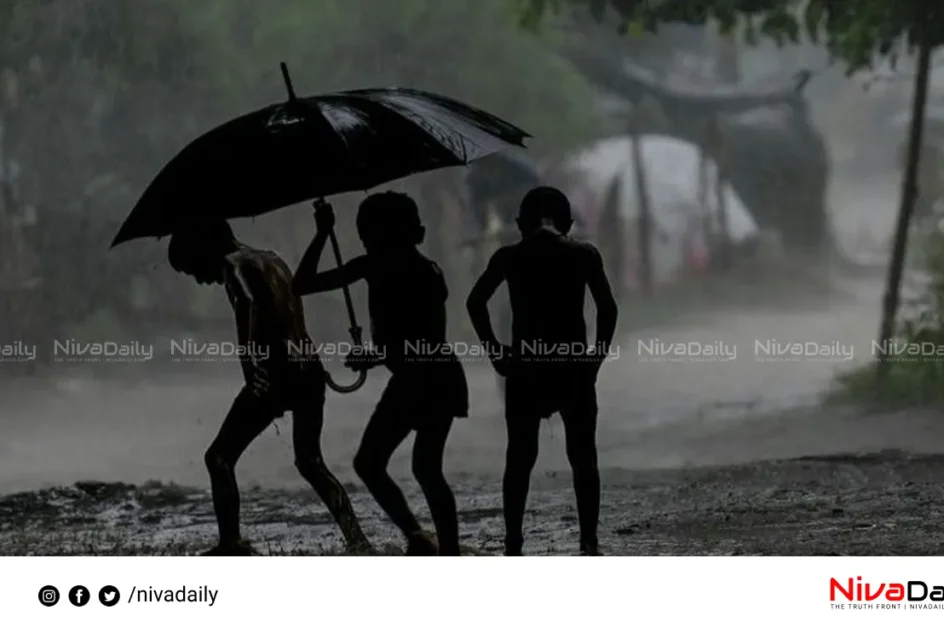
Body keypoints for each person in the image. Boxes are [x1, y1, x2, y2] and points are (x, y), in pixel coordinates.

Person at [166, 219, 371, 555]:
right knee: (310, 462)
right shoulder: (272, 259)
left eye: (193, 268)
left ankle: (232, 545)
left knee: (218, 458)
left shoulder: (233, 264)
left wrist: (250, 366)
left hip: (276, 372)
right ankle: (358, 541)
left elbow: (248, 302)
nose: (200, 279)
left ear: (203, 248)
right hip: (309, 368)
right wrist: (320, 232)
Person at [293, 193, 467, 556]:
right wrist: (324, 232)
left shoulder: (424, 274)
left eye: (372, 234)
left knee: (423, 468)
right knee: (375, 464)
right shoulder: (373, 267)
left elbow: (426, 343)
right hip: (413, 379)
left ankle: (446, 551)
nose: (368, 242)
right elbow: (302, 285)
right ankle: (422, 538)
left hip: (433, 378)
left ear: (404, 235)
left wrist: (375, 356)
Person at [466, 186, 618, 556]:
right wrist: (594, 359)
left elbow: (475, 302)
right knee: (584, 457)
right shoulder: (583, 255)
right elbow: (608, 310)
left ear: (520, 224)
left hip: (525, 368)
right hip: (572, 368)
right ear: (568, 223)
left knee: (519, 457)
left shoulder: (510, 257)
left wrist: (496, 353)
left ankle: (514, 541)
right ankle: (588, 541)